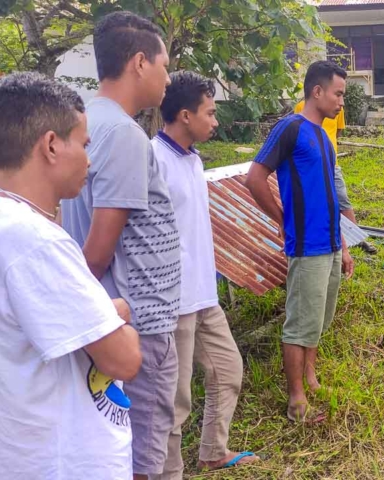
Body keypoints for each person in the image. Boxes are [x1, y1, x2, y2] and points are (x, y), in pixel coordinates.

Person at [0, 72, 142, 479]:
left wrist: (104, 311)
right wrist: (118, 311)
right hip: (61, 462)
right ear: (50, 145)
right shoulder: (37, 243)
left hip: (16, 456)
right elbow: (124, 358)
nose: (89, 159)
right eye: (82, 144)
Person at [61, 12, 180, 480]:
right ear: (138, 63)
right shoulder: (127, 137)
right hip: (138, 325)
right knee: (140, 457)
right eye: (164, 65)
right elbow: (98, 249)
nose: (168, 78)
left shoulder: (90, 125)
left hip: (113, 316)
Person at [150, 71, 259, 477]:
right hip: (172, 301)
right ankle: (167, 472)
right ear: (184, 115)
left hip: (202, 295)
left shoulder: (192, 159)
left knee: (228, 370)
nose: (215, 122)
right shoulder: (152, 160)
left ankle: (214, 450)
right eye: (209, 113)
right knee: (175, 401)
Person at [246, 61, 355, 423]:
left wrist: (343, 241)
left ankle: (311, 377)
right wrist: (282, 219)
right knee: (299, 324)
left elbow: (329, 195)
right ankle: (296, 400)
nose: (342, 101)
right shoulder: (289, 129)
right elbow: (255, 177)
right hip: (307, 245)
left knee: (317, 320)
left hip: (330, 243)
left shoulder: (324, 137)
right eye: (338, 93)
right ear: (317, 91)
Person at [293, 99, 377, 254]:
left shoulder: (338, 107)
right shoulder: (300, 107)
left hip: (333, 164)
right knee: (315, 201)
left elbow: (338, 132)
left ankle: (357, 239)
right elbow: (297, 134)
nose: (341, 100)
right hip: (311, 165)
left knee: (342, 199)